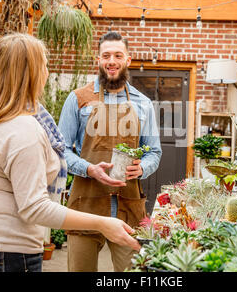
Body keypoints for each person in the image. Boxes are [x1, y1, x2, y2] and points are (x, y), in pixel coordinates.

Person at [0, 33, 140, 272]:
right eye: (44, 65)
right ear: (32, 73)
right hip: (8, 252)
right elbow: (34, 207)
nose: (47, 71)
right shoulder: (25, 131)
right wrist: (103, 223)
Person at [58, 31, 162, 272]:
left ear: (128, 60)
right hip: (86, 204)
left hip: (128, 207)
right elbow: (61, 150)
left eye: (118, 55)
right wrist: (88, 169)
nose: (111, 61)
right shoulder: (78, 100)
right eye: (106, 55)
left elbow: (154, 152)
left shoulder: (143, 103)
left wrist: (142, 168)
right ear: (98, 60)